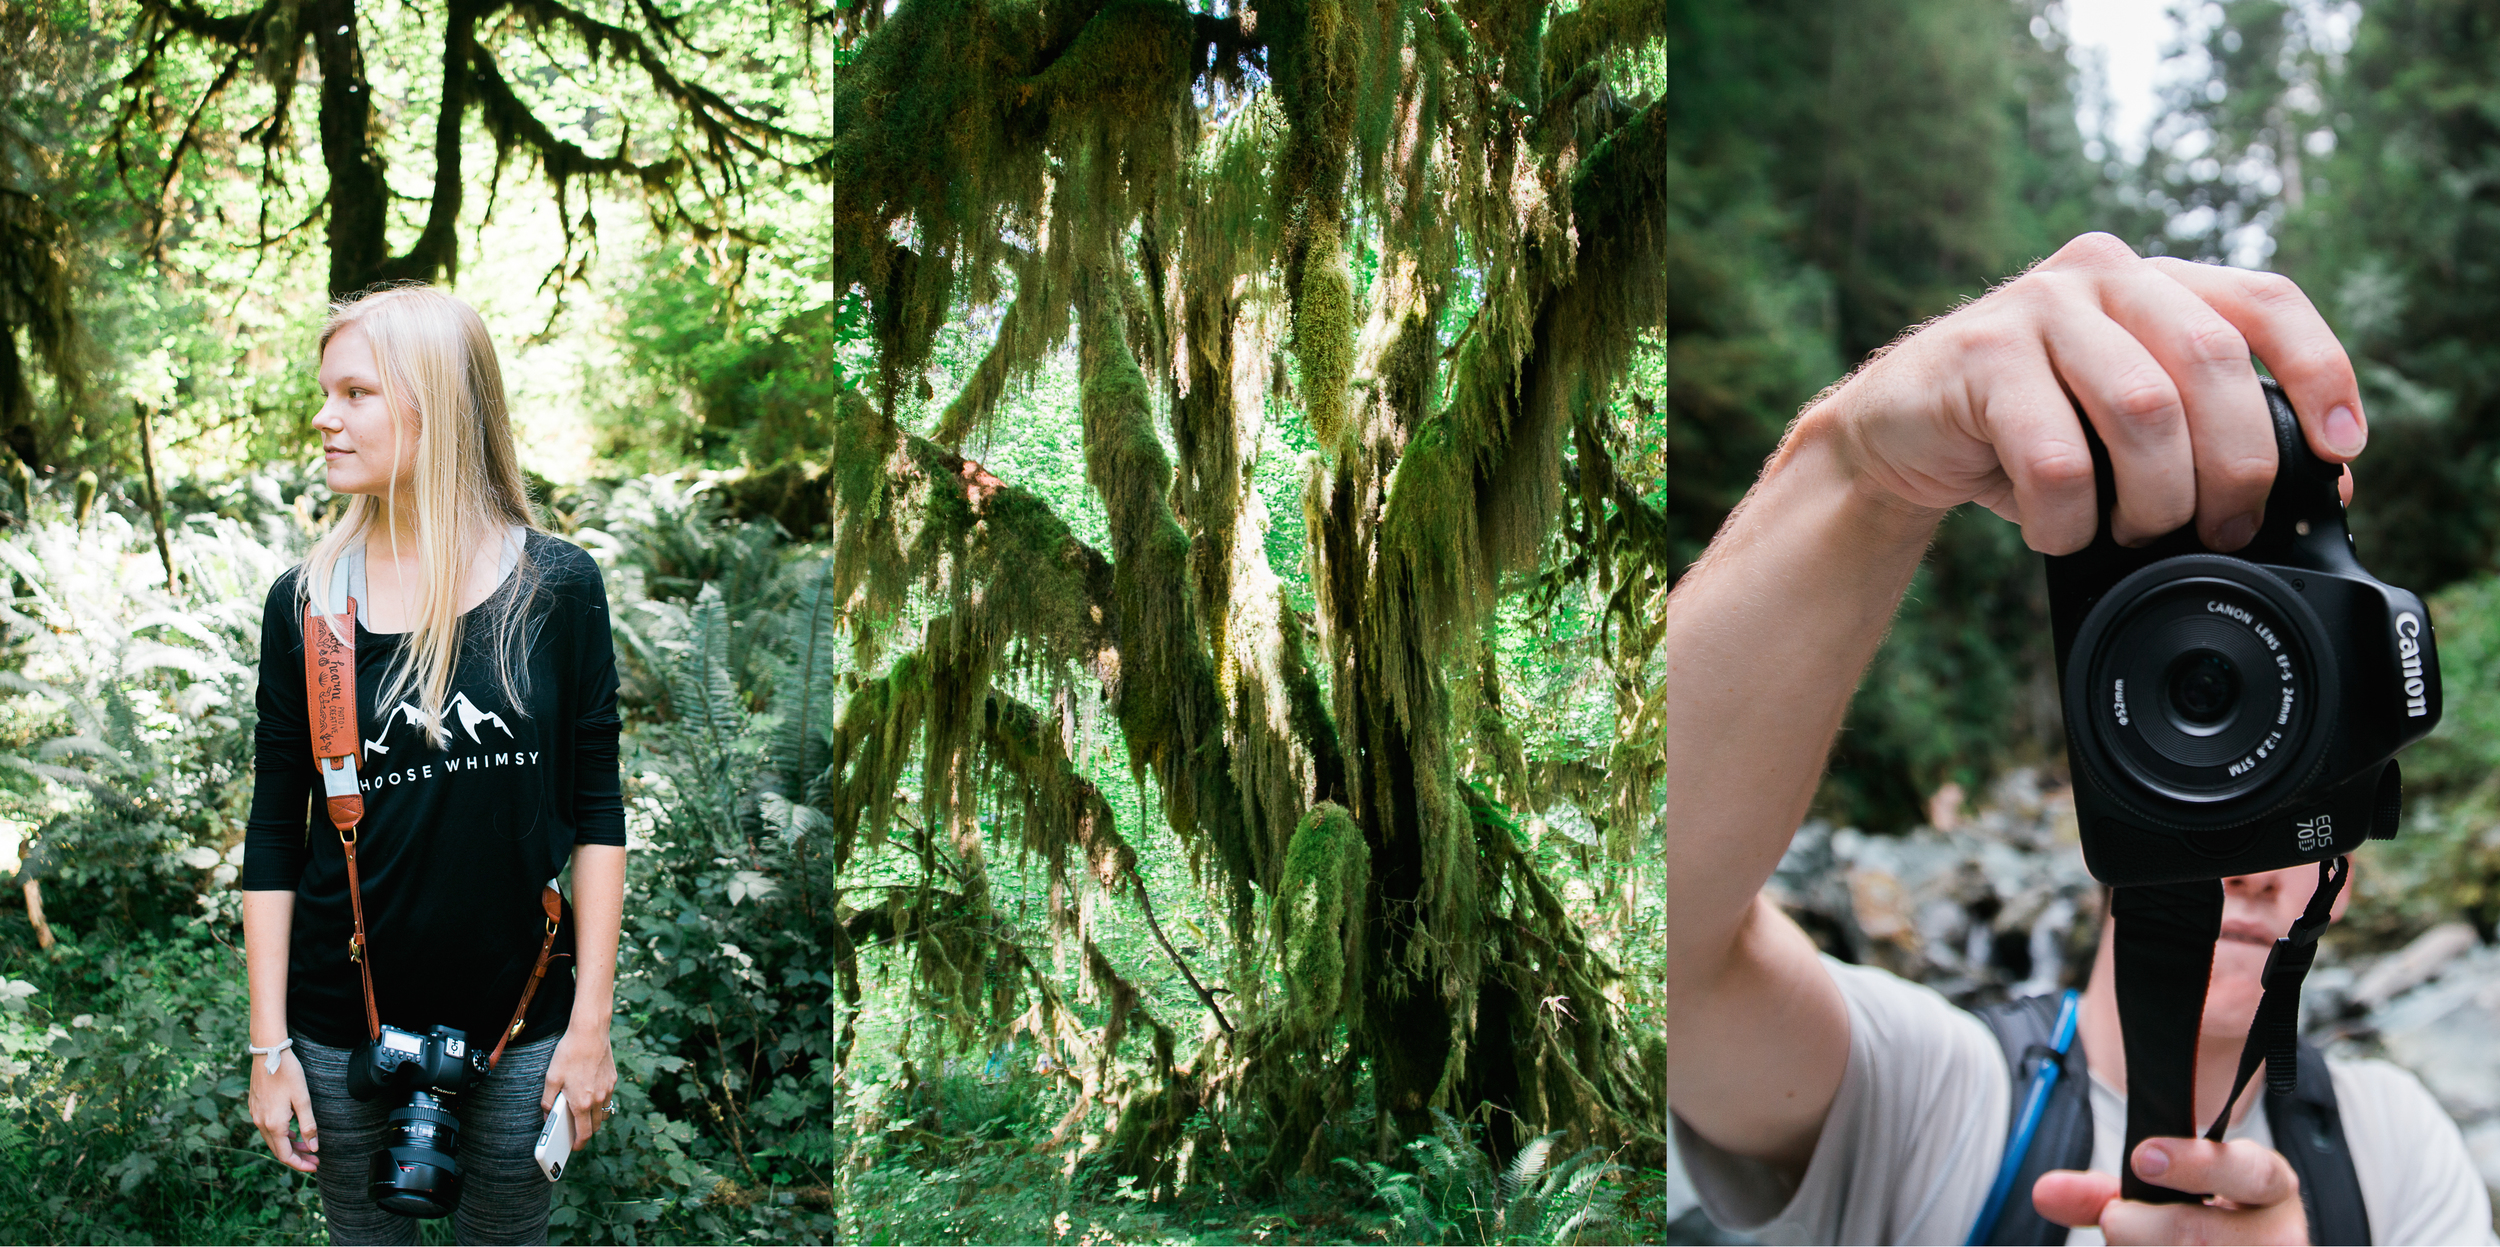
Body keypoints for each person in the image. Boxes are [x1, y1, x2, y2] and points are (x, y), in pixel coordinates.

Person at [1665, 234, 2495, 1246]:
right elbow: (1653, 934)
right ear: (2098, 777)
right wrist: (1857, 470)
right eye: (2194, 742)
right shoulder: (1934, 1096)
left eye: (2289, 787)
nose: (2252, 867)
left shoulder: (2392, 1148)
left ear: (2350, 858)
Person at [239, 285, 628, 1244]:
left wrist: (589, 1027)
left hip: (523, 1018)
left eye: (356, 393)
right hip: (343, 1027)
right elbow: (273, 839)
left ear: (436, 404)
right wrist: (269, 1046)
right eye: (326, 392)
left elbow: (598, 812)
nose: (324, 417)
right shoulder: (310, 605)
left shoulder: (558, 588)